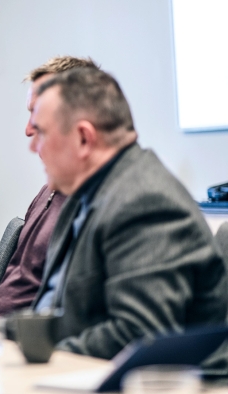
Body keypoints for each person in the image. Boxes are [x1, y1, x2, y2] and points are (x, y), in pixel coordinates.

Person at [28, 67, 227, 359]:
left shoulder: (145, 201)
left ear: (84, 138)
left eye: (42, 132)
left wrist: (45, 357)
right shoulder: (82, 197)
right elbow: (59, 314)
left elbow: (139, 335)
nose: (34, 146)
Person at [0, 56, 100, 317]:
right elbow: (13, 289)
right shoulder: (47, 192)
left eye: (38, 116)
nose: (28, 131)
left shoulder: (99, 205)